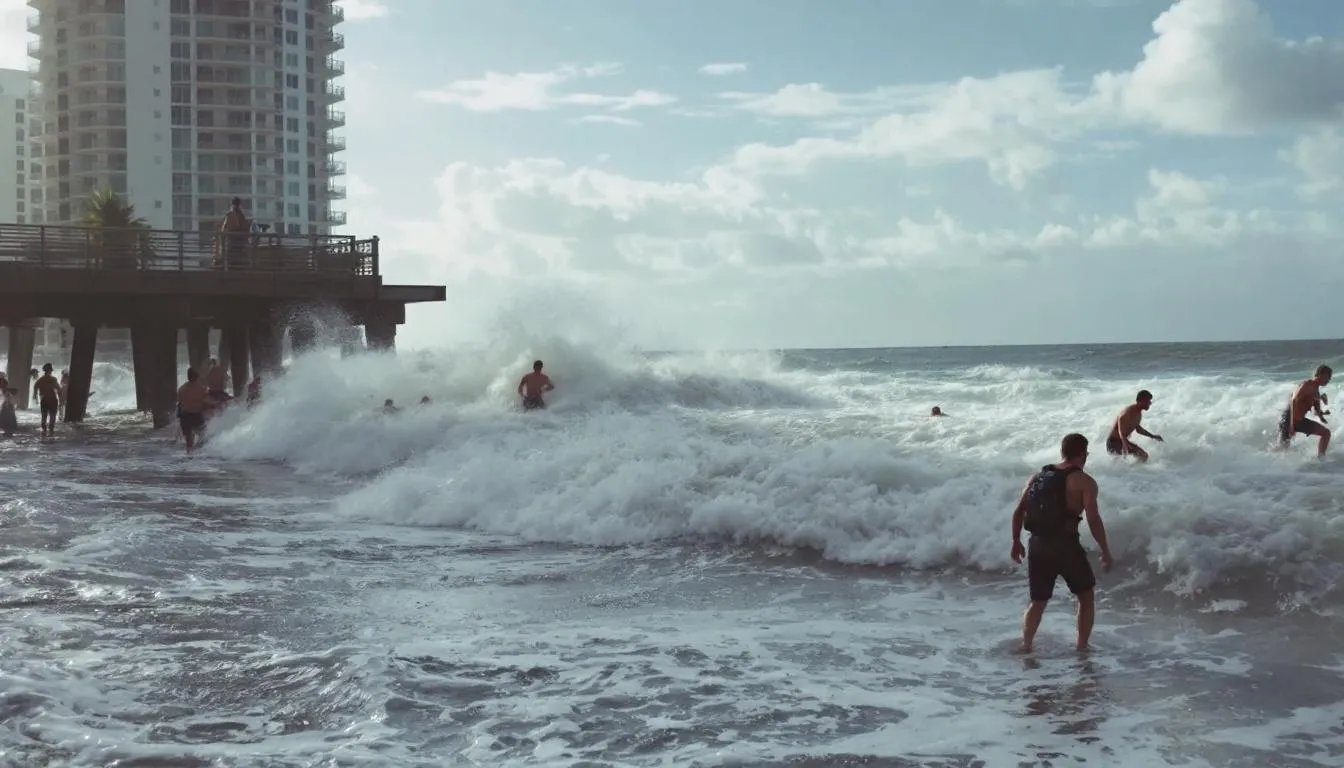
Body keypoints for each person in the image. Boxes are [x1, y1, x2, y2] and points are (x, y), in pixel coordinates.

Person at [1010, 433, 1114, 653]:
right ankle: (1082, 648)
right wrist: (1105, 549)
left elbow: (1019, 510)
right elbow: (1093, 519)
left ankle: (1026, 645)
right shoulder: (1084, 482)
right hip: (1065, 546)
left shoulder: (1037, 476)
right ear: (1082, 454)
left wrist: (1015, 540)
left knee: (1038, 601)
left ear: (1062, 452)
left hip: (1037, 544)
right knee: (1085, 596)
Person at [1279, 365, 1332, 457]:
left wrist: (1323, 414)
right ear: (1320, 374)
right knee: (1284, 450)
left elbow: (1316, 412)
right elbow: (1294, 400)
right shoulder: (1306, 385)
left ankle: (1321, 459)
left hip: (1299, 420)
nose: (1329, 380)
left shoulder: (1316, 391)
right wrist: (1292, 425)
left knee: (1326, 433)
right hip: (1289, 418)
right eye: (1328, 377)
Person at [1106, 390, 1163, 462]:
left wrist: (1152, 436)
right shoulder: (1127, 413)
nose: (1150, 403)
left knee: (1142, 457)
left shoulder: (1138, 413)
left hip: (1121, 441)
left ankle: (1135, 472)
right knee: (1143, 456)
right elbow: (1121, 433)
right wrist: (1126, 446)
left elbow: (1138, 430)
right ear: (1141, 401)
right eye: (1148, 401)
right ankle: (1133, 472)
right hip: (1114, 443)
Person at [176, 368, 211, 454]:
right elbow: (207, 402)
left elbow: (180, 404)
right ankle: (200, 457)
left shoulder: (182, 389)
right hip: (197, 416)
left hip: (185, 416)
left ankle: (190, 459)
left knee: (189, 442)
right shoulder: (202, 389)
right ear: (196, 377)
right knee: (203, 437)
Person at [219, 196, 251, 270]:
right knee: (237, 259)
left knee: (232, 259)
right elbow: (244, 227)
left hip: (232, 240)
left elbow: (224, 228)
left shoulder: (230, 214)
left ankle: (230, 268)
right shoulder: (240, 215)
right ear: (239, 204)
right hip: (237, 240)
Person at [32, 363, 62, 435]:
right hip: (53, 400)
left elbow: (35, 389)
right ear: (50, 371)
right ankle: (51, 433)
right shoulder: (53, 379)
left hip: (44, 400)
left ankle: (43, 432)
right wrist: (61, 400)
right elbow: (59, 390)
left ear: (44, 371)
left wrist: (36, 398)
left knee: (44, 417)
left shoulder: (40, 380)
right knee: (52, 416)